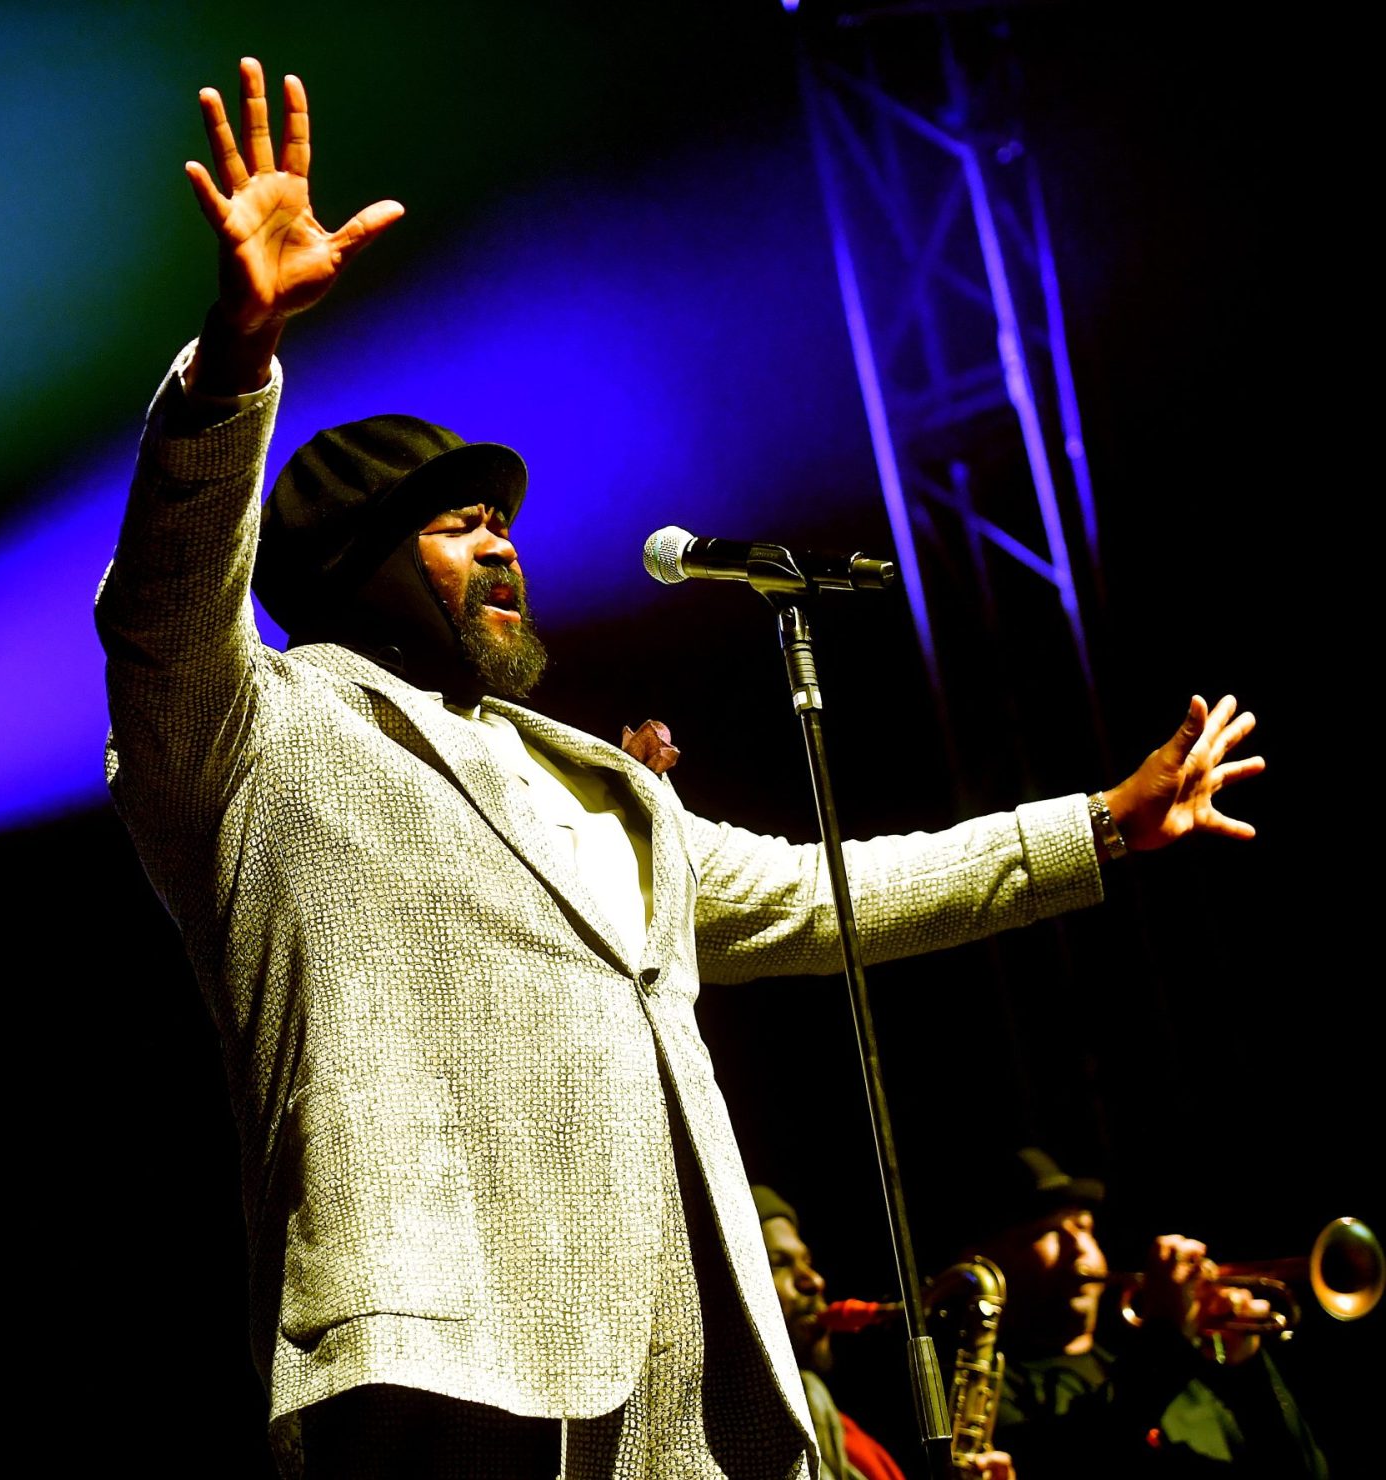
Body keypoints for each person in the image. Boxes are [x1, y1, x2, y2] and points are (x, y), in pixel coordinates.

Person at [94, 57, 1265, 1478]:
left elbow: (837, 894)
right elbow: (159, 603)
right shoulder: (255, 737)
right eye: (461, 525)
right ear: (350, 568)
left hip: (682, 1392)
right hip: (433, 1364)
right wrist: (236, 355)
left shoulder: (602, 793)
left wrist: (1100, 829)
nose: (507, 545)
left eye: (503, 522)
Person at [968, 1148, 1328, 1476]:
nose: (1079, 1247)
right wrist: (1169, 1332)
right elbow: (1078, 1456)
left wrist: (1248, 1367)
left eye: (1084, 1227)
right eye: (1047, 1231)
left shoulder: (1182, 1385)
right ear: (988, 1258)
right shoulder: (993, 1395)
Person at [751, 1186, 1014, 1480]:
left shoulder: (832, 1420)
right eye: (777, 1263)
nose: (814, 1280)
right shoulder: (749, 1439)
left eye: (808, 1263)